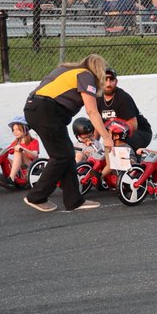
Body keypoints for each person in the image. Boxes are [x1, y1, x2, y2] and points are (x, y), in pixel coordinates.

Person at [22, 53, 112, 212]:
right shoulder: (86, 75)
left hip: (33, 108)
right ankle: (36, 196)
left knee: (67, 154)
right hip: (48, 110)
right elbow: (92, 111)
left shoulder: (66, 70)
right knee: (61, 156)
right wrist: (106, 137)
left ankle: (74, 200)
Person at [96, 68, 153, 150]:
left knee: (118, 144)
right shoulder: (98, 99)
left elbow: (133, 125)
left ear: (116, 82)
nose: (108, 83)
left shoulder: (123, 98)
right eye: (105, 79)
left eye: (111, 80)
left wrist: (114, 138)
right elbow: (97, 124)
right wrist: (94, 143)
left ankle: (132, 160)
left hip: (140, 133)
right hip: (116, 135)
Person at [6, 115, 40, 183]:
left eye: (18, 129)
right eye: (13, 130)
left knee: (18, 152)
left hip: (32, 167)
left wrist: (23, 149)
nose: (15, 132)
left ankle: (11, 178)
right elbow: (6, 151)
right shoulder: (16, 142)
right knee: (4, 157)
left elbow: (34, 155)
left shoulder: (33, 141)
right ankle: (6, 176)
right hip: (21, 168)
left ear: (25, 129)